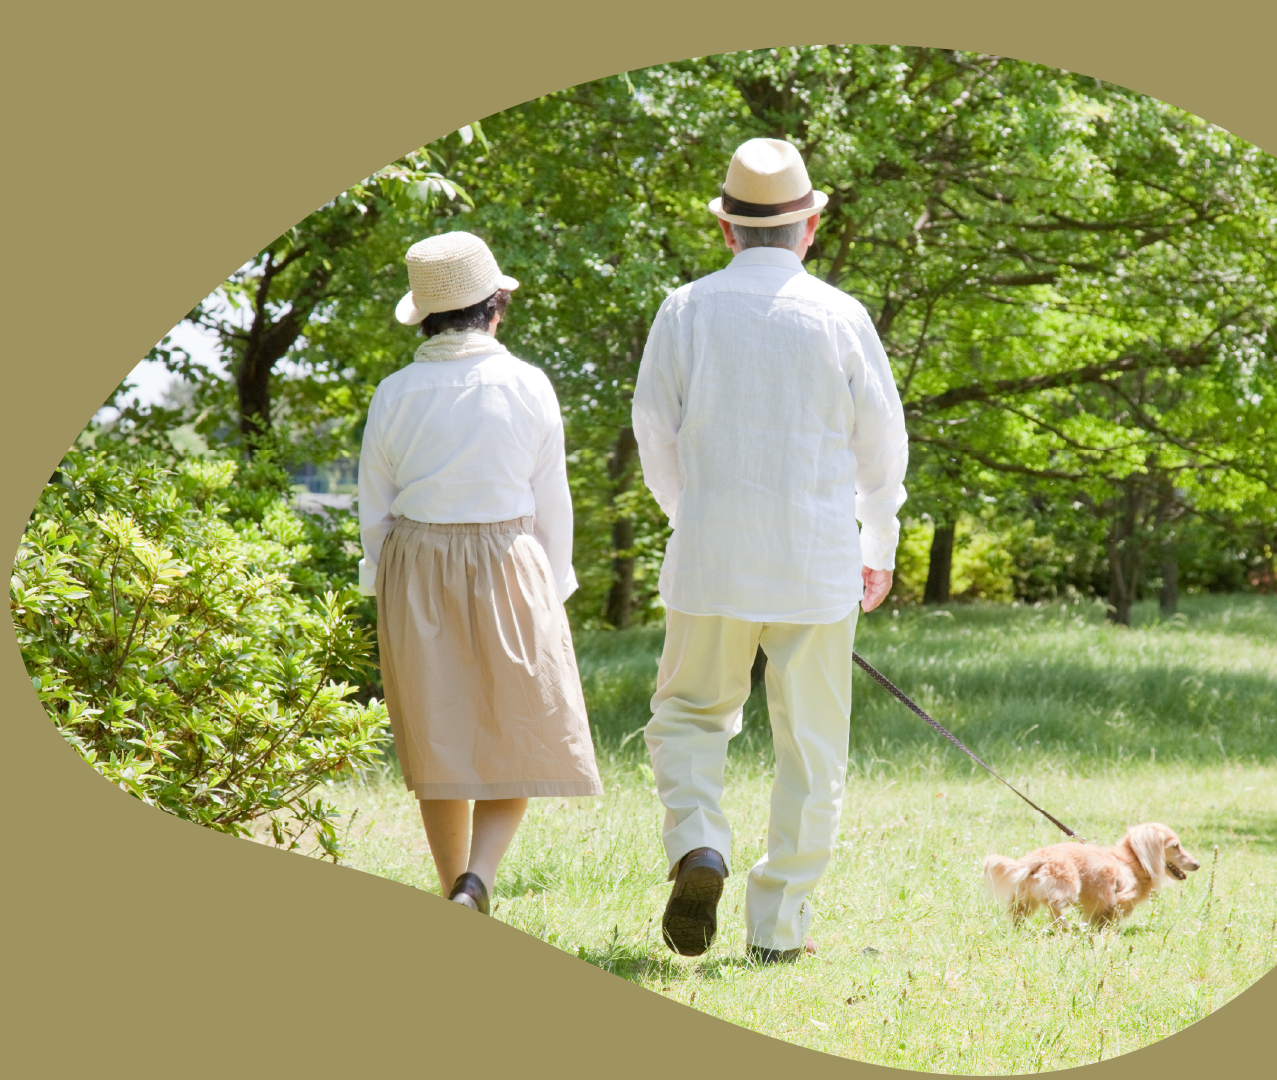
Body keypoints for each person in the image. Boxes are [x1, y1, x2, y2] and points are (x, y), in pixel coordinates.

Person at [632, 137, 909, 963]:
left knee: (688, 716)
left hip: (711, 557)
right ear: (811, 226)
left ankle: (699, 844)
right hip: (817, 560)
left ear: (726, 230)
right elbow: (881, 448)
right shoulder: (841, 316)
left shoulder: (684, 309)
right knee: (812, 750)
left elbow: (654, 433)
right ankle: (780, 928)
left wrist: (696, 514)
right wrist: (880, 539)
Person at [358, 231, 602, 915]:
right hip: (509, 557)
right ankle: (480, 878)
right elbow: (553, 500)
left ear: (427, 315)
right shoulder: (528, 384)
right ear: (496, 306)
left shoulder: (394, 393)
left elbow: (374, 510)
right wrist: (553, 590)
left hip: (415, 565)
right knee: (517, 727)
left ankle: (450, 890)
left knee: (440, 734)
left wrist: (385, 585)